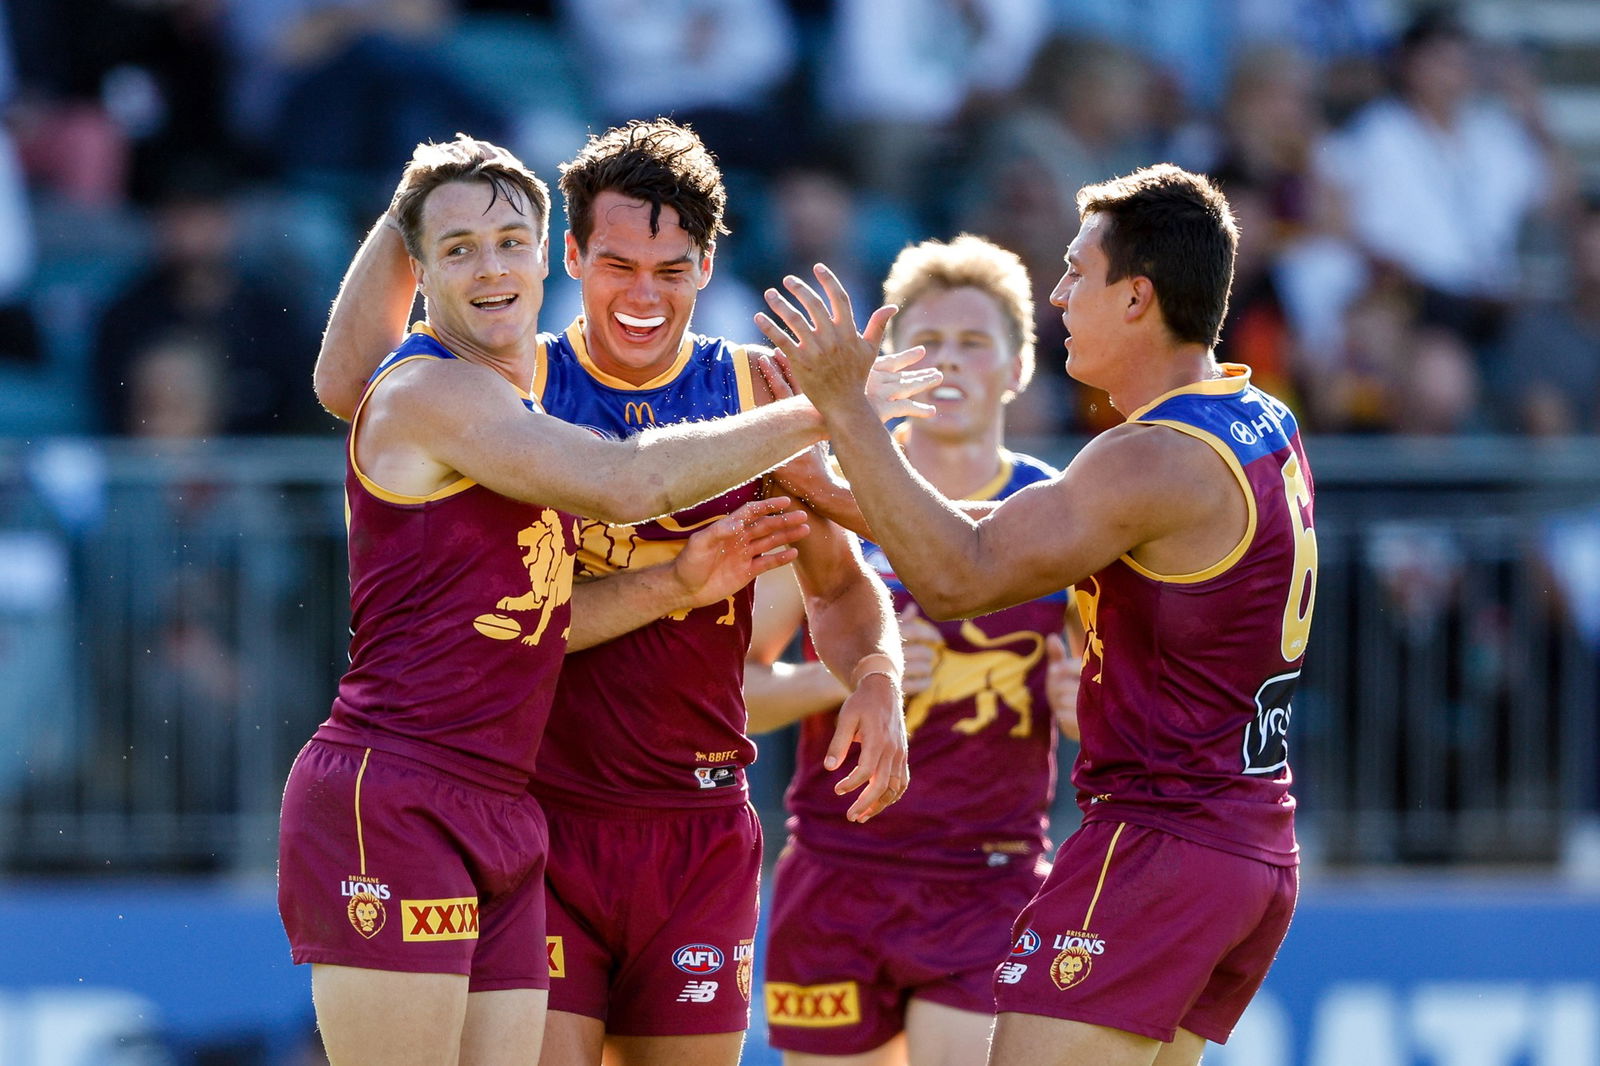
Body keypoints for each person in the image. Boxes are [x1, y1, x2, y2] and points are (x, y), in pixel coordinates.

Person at [283, 134, 923, 1066]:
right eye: (617, 263)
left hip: (605, 815)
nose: (642, 293)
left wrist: (871, 665)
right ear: (576, 259)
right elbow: (624, 484)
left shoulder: (704, 389)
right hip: (465, 792)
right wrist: (828, 407)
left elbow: (540, 618)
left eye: (509, 242)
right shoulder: (490, 389)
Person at [759, 164, 1315, 1066]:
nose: (1058, 295)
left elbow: (956, 577)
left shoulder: (1145, 458)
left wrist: (844, 413)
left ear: (1137, 298)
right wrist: (836, 488)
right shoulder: (1255, 419)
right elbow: (1003, 534)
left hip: (1155, 844)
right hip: (1242, 841)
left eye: (1073, 274)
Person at [743, 234, 1084, 1066]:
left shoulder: (1062, 513)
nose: (954, 365)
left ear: (1017, 369)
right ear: (888, 366)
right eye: (929, 344)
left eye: (977, 344)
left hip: (987, 876)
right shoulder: (831, 496)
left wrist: (1088, 713)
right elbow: (734, 694)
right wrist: (853, 679)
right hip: (837, 867)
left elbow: (1111, 709)